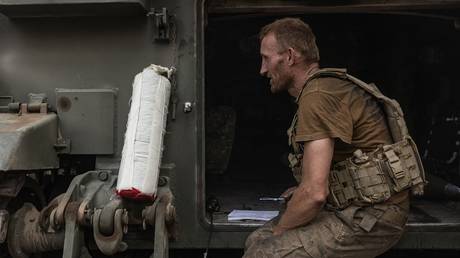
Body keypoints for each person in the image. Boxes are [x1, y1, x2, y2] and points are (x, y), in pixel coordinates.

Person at [243, 18, 425, 258]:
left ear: (289, 56)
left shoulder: (318, 95)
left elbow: (315, 194)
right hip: (357, 208)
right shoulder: (323, 89)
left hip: (371, 217)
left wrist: (280, 230)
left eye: (266, 58)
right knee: (256, 240)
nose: (263, 69)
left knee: (265, 252)